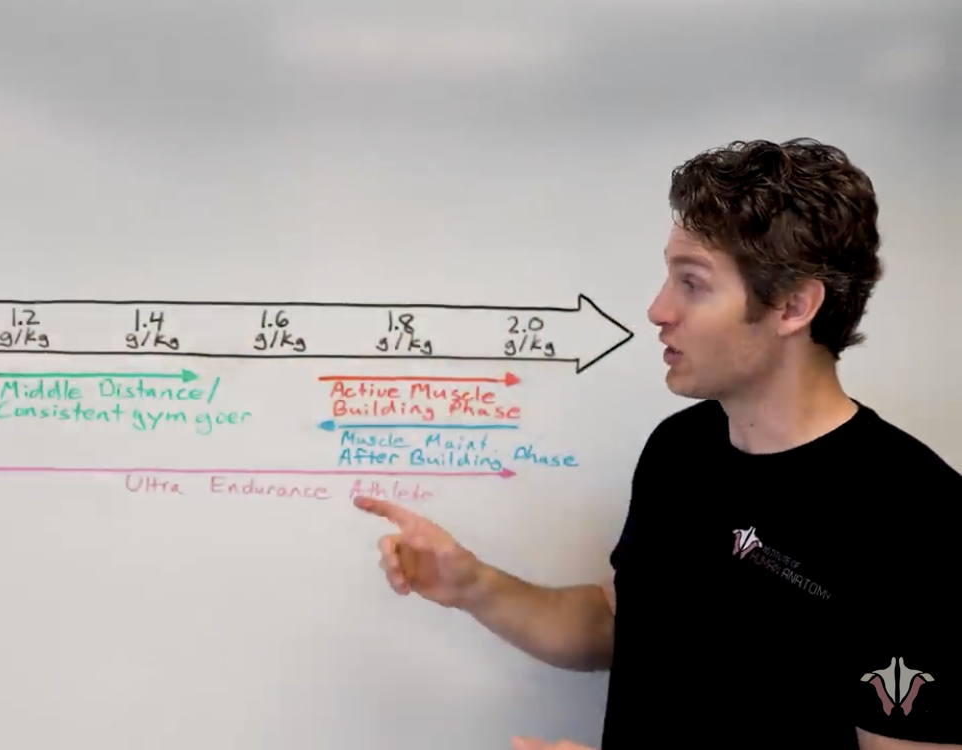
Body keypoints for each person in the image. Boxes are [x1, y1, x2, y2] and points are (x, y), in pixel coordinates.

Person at [355, 138, 961, 749]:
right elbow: (623, 624)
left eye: (692, 283)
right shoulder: (679, 449)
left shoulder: (918, 517)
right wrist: (474, 586)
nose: (657, 309)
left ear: (793, 306)